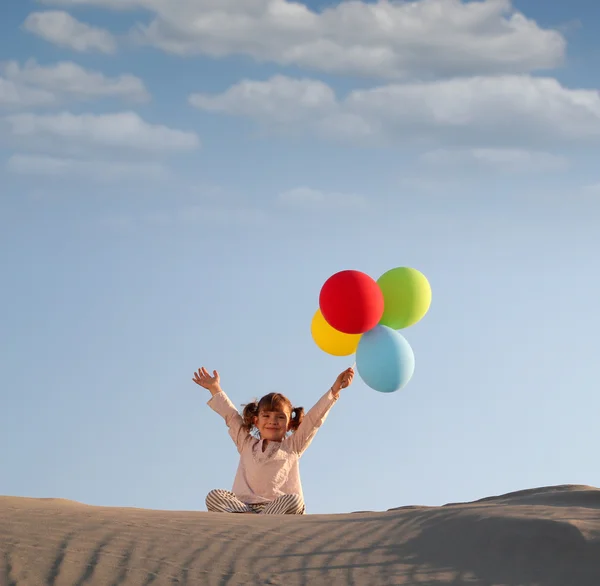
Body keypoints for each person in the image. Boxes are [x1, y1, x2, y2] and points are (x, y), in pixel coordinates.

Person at [192, 365, 354, 515]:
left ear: (289, 423)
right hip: (244, 508)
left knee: (295, 500)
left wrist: (335, 390)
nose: (273, 421)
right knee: (214, 496)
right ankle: (251, 520)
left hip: (277, 508)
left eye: (280, 417)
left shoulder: (293, 445)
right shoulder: (246, 443)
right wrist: (215, 388)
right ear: (256, 420)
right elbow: (231, 416)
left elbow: (314, 420)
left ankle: (263, 520)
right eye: (266, 415)